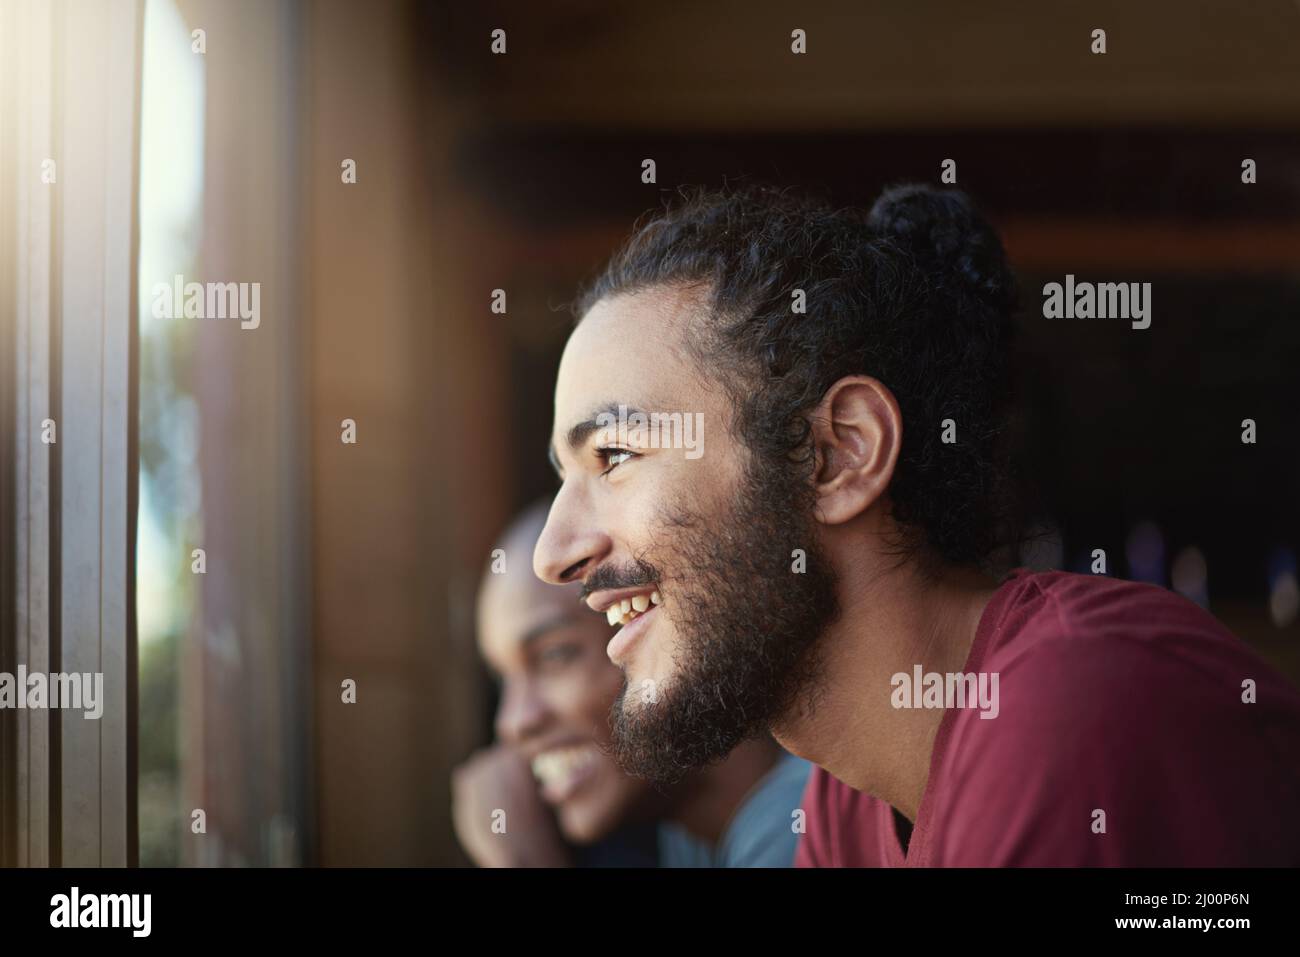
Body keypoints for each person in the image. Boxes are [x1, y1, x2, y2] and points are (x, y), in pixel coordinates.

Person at [531, 182, 1300, 866]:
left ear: (839, 454)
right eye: (568, 478)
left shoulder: (1073, 714)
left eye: (616, 454)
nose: (551, 555)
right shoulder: (853, 797)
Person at [452, 501, 810, 867]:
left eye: (554, 656)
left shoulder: (804, 833)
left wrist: (524, 861)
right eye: (502, 679)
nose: (513, 722)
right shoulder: (688, 840)